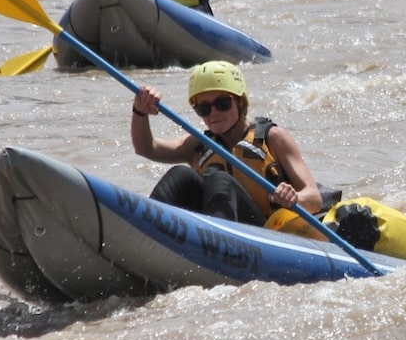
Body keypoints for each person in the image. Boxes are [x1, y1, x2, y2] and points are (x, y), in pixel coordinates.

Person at [130, 61, 322, 226]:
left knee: (219, 179)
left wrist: (293, 198)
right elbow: (146, 148)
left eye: (222, 103)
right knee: (181, 174)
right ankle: (144, 228)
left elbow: (314, 199)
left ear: (239, 102)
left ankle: (219, 247)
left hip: (263, 233)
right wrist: (140, 111)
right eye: (204, 108)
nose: (213, 113)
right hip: (210, 230)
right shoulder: (199, 145)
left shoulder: (273, 138)